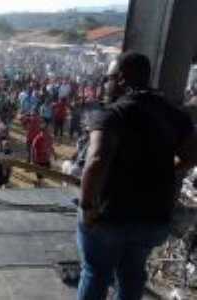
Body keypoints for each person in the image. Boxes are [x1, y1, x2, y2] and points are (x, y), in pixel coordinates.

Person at [77, 52, 197, 300]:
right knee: (132, 274)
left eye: (108, 78)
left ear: (121, 78)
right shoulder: (174, 114)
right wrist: (163, 170)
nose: (105, 84)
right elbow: (191, 156)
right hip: (152, 217)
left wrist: (87, 206)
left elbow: (96, 160)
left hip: (110, 216)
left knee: (96, 273)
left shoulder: (112, 114)